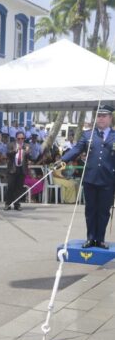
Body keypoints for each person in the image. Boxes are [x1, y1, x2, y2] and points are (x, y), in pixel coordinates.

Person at [61, 104, 115, 249]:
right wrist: (62, 160)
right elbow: (77, 149)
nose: (101, 118)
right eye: (98, 116)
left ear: (110, 118)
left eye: (104, 116)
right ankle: (91, 238)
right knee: (90, 210)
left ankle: (100, 239)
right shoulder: (88, 135)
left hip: (108, 180)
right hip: (90, 179)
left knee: (103, 211)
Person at [4, 131, 29, 211]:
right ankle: (7, 204)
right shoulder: (11, 145)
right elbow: (8, 154)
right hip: (12, 169)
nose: (21, 140)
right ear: (16, 138)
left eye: (22, 138)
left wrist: (28, 152)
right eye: (19, 138)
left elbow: (31, 157)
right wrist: (15, 151)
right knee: (10, 187)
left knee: (19, 188)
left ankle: (17, 204)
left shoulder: (26, 146)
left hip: (21, 169)